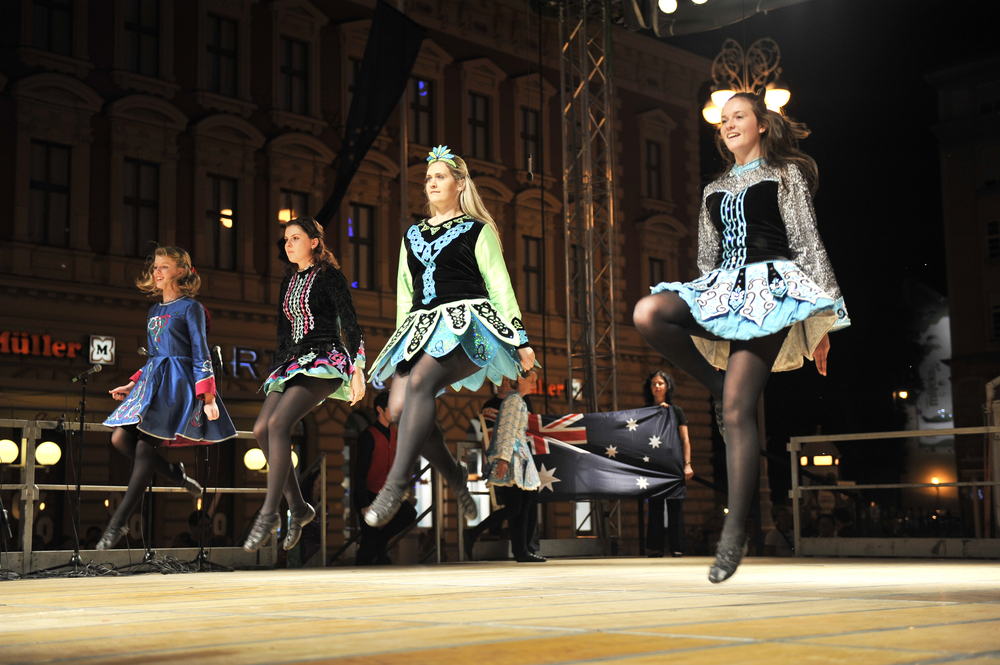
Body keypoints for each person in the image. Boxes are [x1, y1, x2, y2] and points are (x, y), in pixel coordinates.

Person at [633, 92, 850, 583]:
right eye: (724, 119)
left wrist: (823, 323)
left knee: (737, 411)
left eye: (739, 117)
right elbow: (708, 260)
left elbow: (809, 246)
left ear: (762, 126)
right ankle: (713, 382)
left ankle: (735, 531)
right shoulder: (712, 188)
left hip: (773, 293)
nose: (729, 125)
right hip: (724, 289)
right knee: (649, 312)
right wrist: (707, 307)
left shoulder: (785, 176)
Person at [365, 146, 535, 528]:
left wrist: (520, 338)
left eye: (439, 176)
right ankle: (455, 475)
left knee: (421, 383)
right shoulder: (413, 234)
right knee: (397, 410)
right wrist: (400, 343)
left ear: (459, 184)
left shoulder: (479, 230)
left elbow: (499, 285)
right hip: (420, 328)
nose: (431, 183)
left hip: (470, 326)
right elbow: (405, 292)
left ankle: (395, 486)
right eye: (428, 178)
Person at [101, 247, 237, 550]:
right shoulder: (153, 311)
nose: (156, 272)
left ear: (180, 271)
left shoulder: (192, 308)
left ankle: (119, 521)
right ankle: (174, 473)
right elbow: (155, 357)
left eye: (164, 266)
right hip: (154, 382)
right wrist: (132, 385)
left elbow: (201, 352)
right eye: (155, 267)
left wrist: (209, 397)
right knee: (120, 441)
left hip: (179, 385)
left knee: (144, 446)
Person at [243, 217, 366, 551]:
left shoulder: (330, 277)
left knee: (279, 423)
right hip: (291, 362)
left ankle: (270, 513)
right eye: (285, 240)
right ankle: (299, 508)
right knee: (261, 429)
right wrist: (279, 372)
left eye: (295, 238)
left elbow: (351, 324)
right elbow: (283, 334)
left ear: (314, 242)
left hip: (326, 359)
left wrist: (358, 368)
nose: (288, 244)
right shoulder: (287, 282)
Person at [465, 370, 545, 563]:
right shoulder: (514, 401)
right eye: (532, 381)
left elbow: (508, 428)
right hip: (513, 459)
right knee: (515, 507)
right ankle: (474, 533)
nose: (535, 384)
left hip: (519, 457)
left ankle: (521, 551)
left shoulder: (518, 400)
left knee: (522, 505)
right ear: (520, 379)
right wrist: (504, 459)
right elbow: (507, 432)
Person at [353, 391, 417, 565]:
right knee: (368, 542)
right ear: (380, 409)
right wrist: (364, 503)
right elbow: (360, 473)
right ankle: (364, 567)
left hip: (387, 493)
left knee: (409, 514)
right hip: (368, 494)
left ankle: (381, 544)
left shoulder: (394, 433)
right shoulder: (369, 436)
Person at [643, 370, 693, 558]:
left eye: (661, 383)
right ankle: (655, 547)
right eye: (654, 383)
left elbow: (685, 439)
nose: (657, 386)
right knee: (654, 506)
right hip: (654, 464)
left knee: (675, 506)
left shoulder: (676, 410)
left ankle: (677, 547)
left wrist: (687, 464)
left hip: (674, 464)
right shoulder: (646, 411)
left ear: (667, 386)